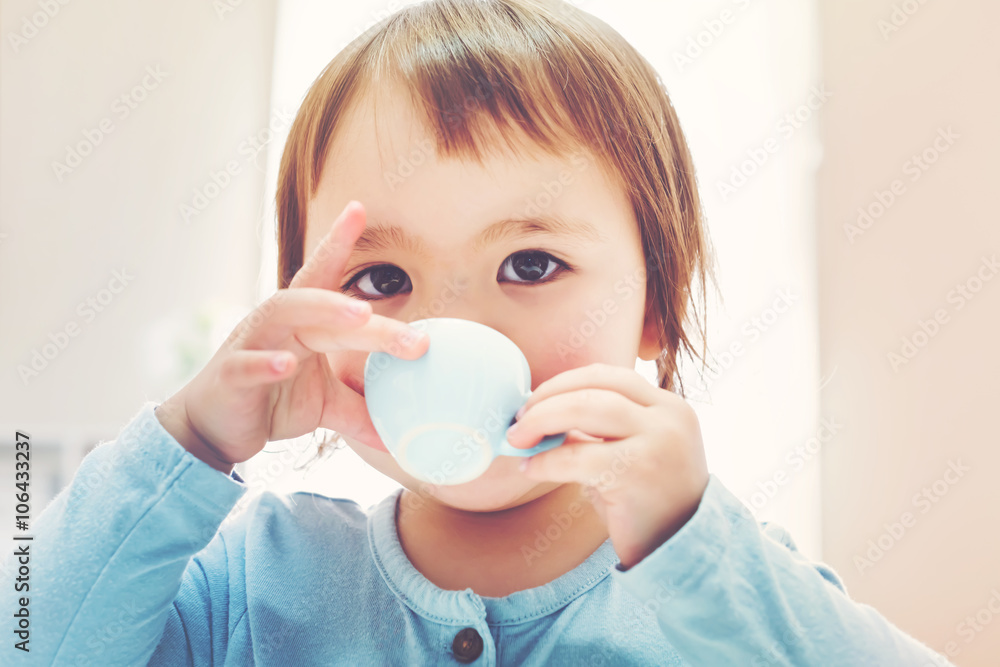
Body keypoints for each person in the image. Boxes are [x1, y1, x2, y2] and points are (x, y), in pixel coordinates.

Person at [2, 1, 955, 664]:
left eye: (531, 266)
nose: (450, 329)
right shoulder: (251, 581)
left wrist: (687, 541)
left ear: (656, 306)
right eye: (381, 278)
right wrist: (192, 443)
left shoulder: (720, 594)